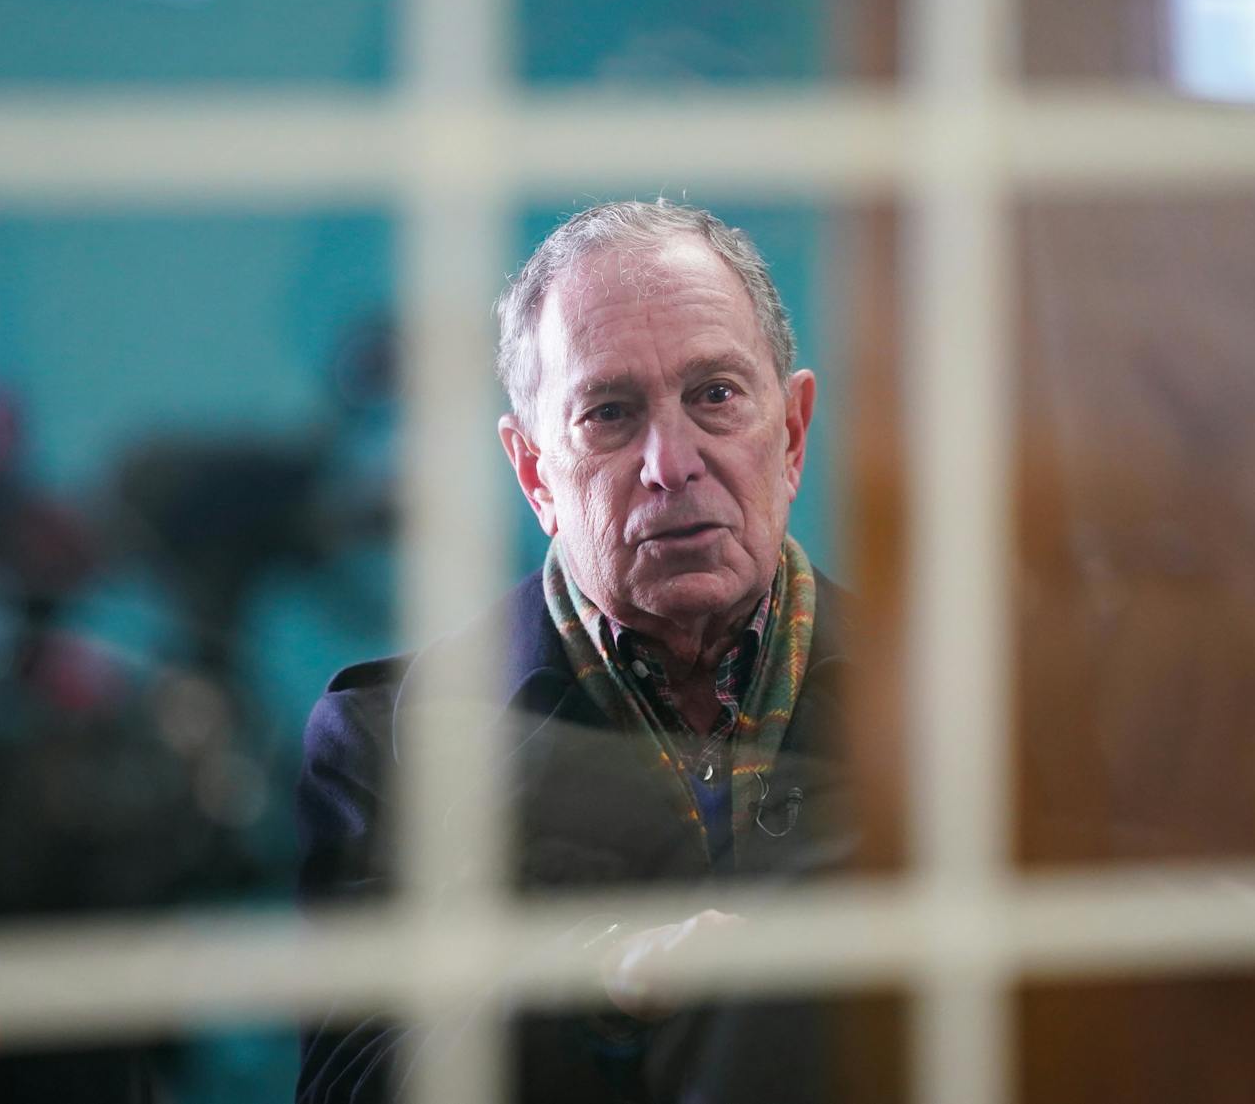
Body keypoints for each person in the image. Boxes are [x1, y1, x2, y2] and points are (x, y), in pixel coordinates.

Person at [296, 200, 867, 1103]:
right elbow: (348, 1086)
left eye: (716, 394)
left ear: (791, 434)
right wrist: (604, 983)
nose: (670, 462)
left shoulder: (952, 697)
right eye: (610, 413)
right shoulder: (388, 740)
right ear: (534, 474)